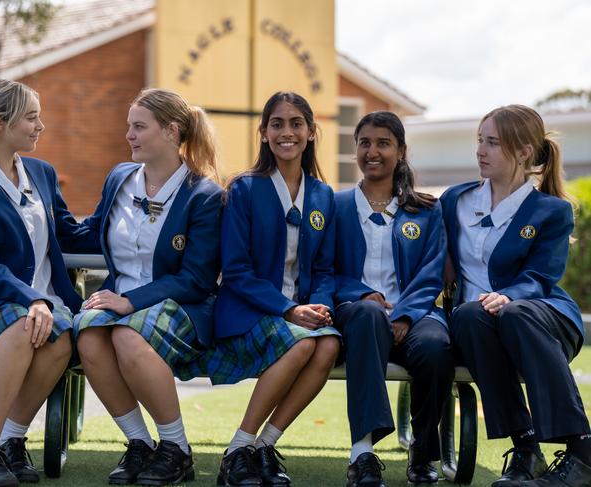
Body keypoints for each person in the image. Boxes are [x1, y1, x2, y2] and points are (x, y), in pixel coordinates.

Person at [0, 79, 99, 487]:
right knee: (24, 324)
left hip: (46, 307)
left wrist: (126, 219)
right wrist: (33, 299)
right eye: (31, 117)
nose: (40, 126)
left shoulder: (42, 174)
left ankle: (11, 441)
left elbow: (69, 233)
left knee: (60, 336)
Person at [73, 88, 222, 486]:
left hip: (182, 305)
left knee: (125, 334)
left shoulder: (204, 196)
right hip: (120, 301)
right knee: (87, 336)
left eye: (139, 127)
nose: (129, 135)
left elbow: (197, 279)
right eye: (129, 127)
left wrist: (128, 302)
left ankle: (177, 449)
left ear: (172, 132)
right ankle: (140, 444)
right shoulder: (120, 177)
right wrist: (35, 216)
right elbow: (91, 233)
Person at [441, 104, 591, 487]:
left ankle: (582, 451)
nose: (481, 151)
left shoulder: (551, 211)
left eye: (493, 143)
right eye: (480, 141)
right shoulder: (454, 201)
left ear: (524, 152)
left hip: (540, 317)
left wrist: (508, 296)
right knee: (470, 314)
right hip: (476, 325)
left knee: (511, 313)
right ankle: (526, 449)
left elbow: (541, 276)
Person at [208, 91, 340, 486]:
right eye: (277, 124)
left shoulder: (323, 194)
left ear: (311, 132)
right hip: (249, 312)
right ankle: (237, 449)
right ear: (263, 133)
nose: (287, 132)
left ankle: (263, 446)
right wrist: (287, 309)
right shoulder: (244, 189)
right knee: (301, 343)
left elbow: (325, 268)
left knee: (329, 344)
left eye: (296, 123)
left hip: (300, 314)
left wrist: (319, 305)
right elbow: (234, 270)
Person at [333, 111, 453, 487]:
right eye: (365, 143)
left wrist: (405, 314)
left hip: (415, 315)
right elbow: (323, 270)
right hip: (356, 315)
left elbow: (432, 271)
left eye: (383, 143)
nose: (373, 151)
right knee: (368, 314)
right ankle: (363, 453)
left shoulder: (427, 210)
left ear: (401, 151)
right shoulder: (334, 207)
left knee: (435, 346)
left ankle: (423, 452)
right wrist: (360, 293)